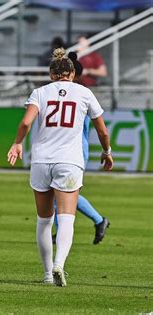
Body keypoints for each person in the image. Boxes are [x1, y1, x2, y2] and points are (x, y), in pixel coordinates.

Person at [7, 48, 113, 287]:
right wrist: (106, 152)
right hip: (69, 160)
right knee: (66, 219)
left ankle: (46, 274)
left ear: (51, 74)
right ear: (73, 74)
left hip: (42, 160)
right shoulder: (84, 93)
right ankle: (59, 265)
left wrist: (17, 143)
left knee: (44, 220)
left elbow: (26, 121)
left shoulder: (40, 92)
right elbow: (102, 130)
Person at [51, 52, 110, 245]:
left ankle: (98, 220)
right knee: (61, 192)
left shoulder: (78, 93)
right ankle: (92, 223)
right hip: (71, 148)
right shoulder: (78, 92)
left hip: (74, 149)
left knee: (64, 193)